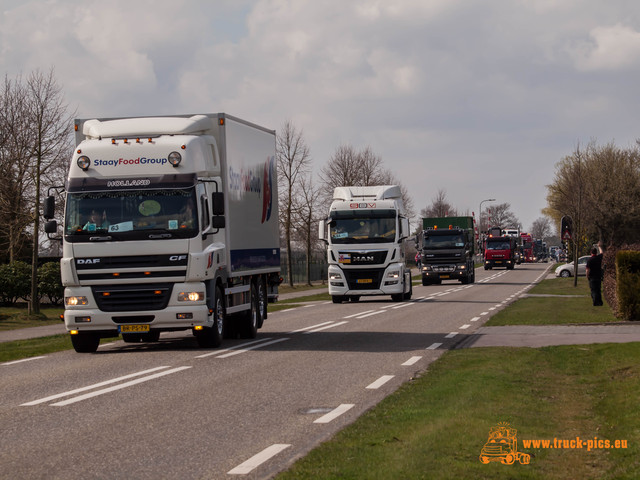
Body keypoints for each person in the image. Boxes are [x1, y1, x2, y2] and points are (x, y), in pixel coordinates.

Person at [586, 242, 604, 306]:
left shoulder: (589, 260)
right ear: (596, 253)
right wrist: (599, 246)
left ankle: (595, 302)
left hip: (592, 277)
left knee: (593, 290)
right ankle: (600, 302)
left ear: (591, 253)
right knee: (598, 289)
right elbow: (602, 253)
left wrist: (587, 276)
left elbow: (588, 269)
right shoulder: (598, 258)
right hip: (598, 276)